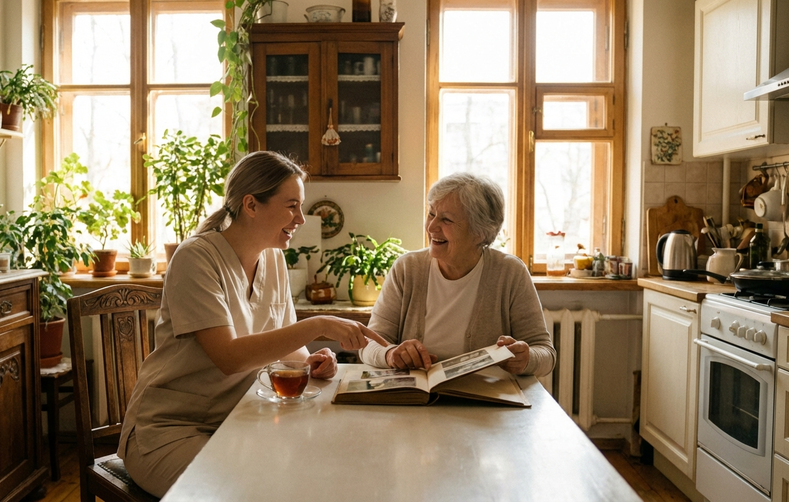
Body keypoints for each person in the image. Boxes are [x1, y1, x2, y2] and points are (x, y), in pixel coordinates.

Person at [118, 151, 387, 497]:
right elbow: (229, 357)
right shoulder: (195, 257)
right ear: (251, 205)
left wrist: (311, 362)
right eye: (292, 206)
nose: (300, 219)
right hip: (171, 429)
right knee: (247, 491)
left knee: (311, 472)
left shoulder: (273, 259)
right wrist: (318, 324)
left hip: (238, 420)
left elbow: (287, 348)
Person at [357, 172, 556, 376]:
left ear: (479, 232)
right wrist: (390, 354)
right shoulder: (407, 268)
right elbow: (370, 343)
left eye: (446, 220)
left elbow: (545, 353)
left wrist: (526, 359)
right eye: (431, 214)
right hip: (417, 392)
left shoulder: (510, 272)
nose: (431, 227)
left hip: (486, 394)